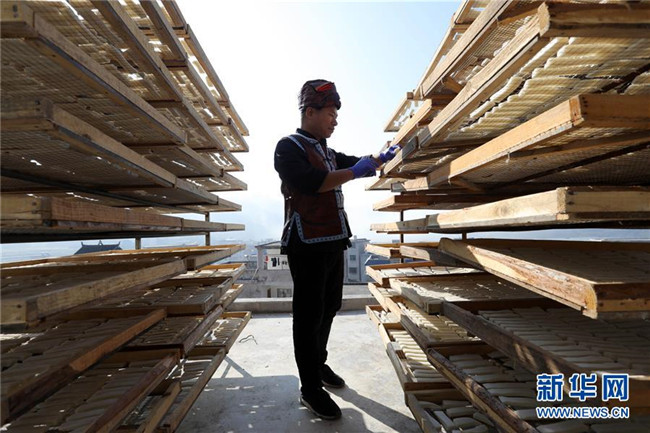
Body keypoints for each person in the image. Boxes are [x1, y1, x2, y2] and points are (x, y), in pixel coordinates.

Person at [273, 79, 399, 420]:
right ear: (309, 112)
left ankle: (318, 363)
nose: (335, 121)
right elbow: (312, 183)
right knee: (308, 315)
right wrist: (354, 172)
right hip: (306, 244)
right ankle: (309, 388)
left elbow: (355, 162)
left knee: (330, 306)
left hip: (332, 240)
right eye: (330, 114)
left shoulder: (327, 152)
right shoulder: (288, 147)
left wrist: (379, 158)